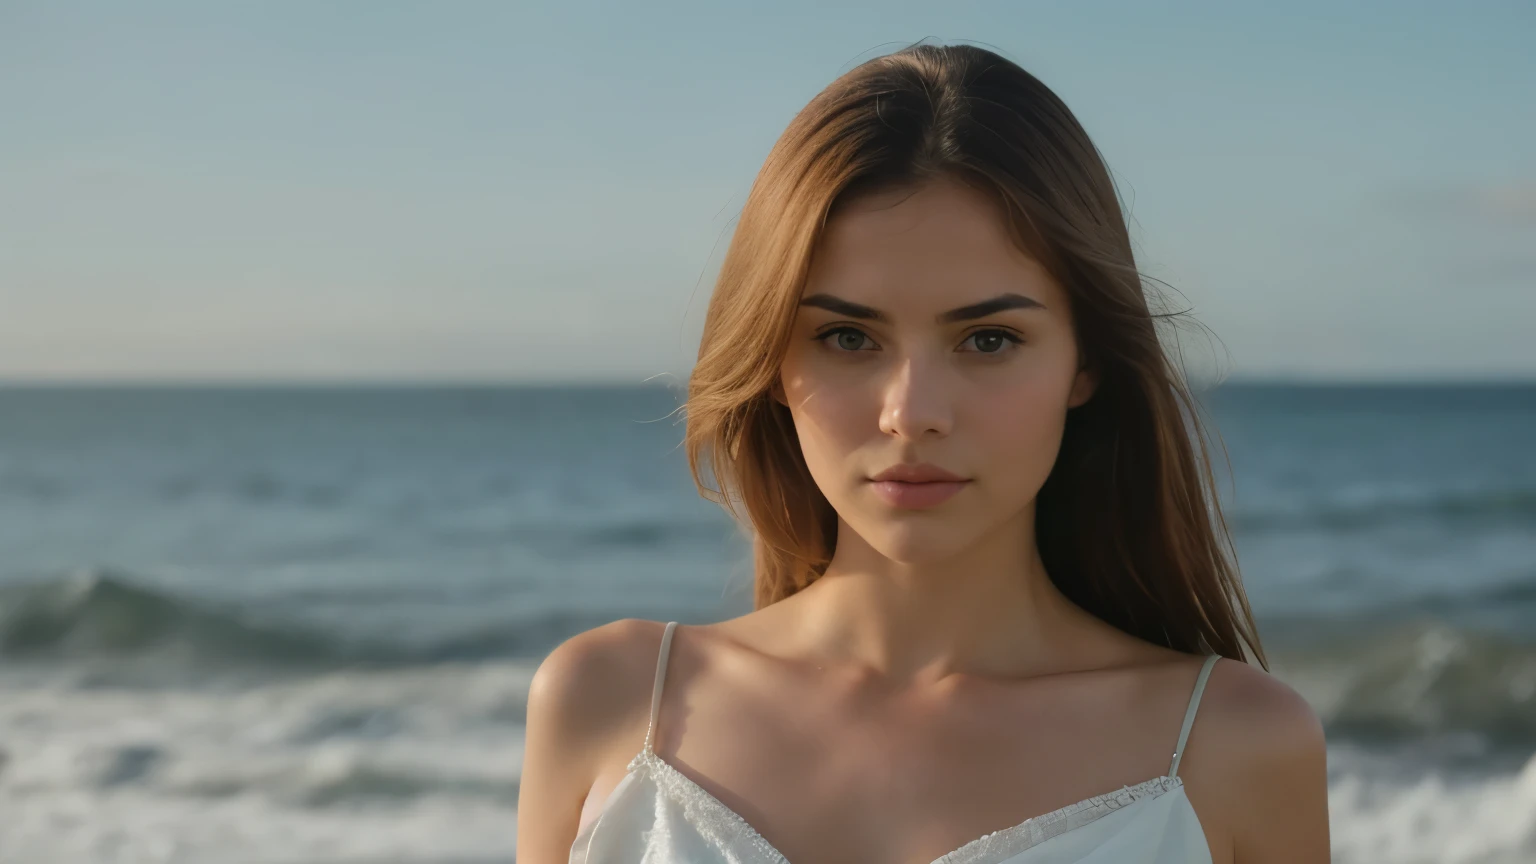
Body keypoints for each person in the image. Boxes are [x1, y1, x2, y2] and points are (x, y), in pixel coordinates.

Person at [517, 41, 1329, 864]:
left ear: (1086, 363)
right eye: (846, 337)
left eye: (987, 338)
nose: (913, 414)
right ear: (770, 359)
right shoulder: (609, 701)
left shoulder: (1232, 749)